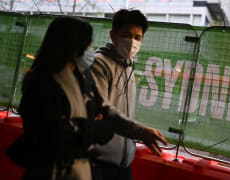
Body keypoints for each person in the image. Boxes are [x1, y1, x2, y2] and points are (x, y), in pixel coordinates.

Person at [6, 16, 167, 180]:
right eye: (87, 44)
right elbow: (56, 135)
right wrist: (96, 127)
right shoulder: (40, 82)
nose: (91, 49)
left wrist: (137, 131)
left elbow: (104, 111)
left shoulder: (83, 79)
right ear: (70, 45)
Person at [89, 9, 155, 180]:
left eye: (137, 37)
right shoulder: (99, 63)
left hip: (124, 164)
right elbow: (104, 108)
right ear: (113, 35)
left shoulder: (129, 67)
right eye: (126, 35)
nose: (132, 42)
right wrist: (139, 131)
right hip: (98, 162)